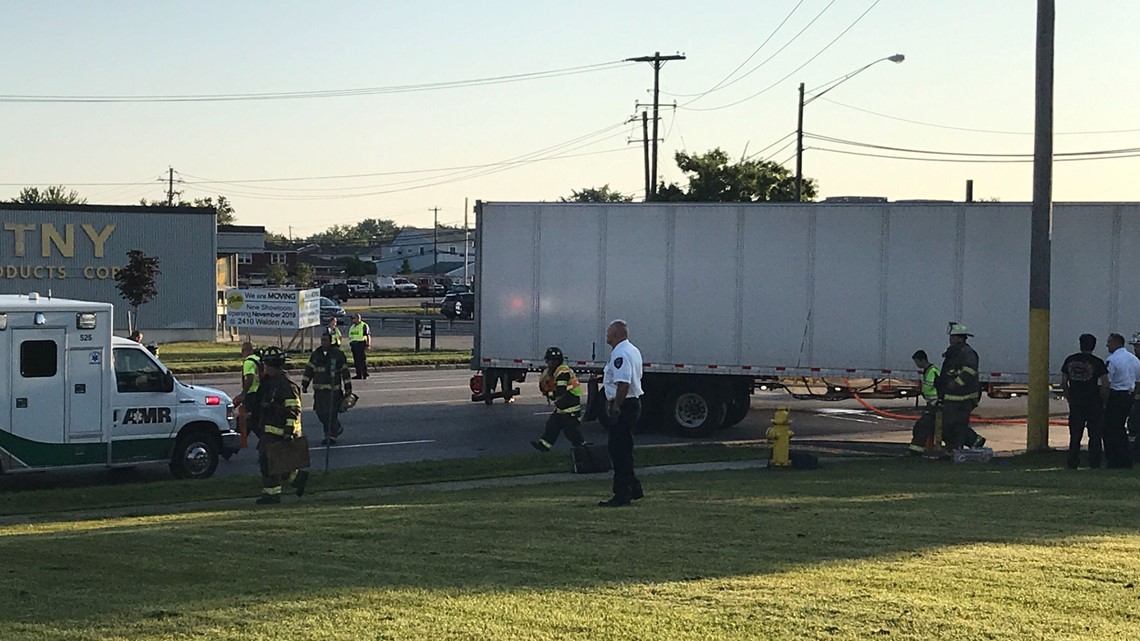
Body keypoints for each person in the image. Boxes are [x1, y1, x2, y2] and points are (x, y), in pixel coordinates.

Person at [253, 347, 308, 504]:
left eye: (265, 364)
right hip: (269, 430)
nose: (263, 367)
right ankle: (294, 481)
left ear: (272, 365)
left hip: (280, 431)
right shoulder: (270, 382)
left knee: (270, 462)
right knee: (270, 462)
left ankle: (272, 495)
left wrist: (288, 432)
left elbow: (293, 409)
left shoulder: (285, 384)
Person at [599, 320, 644, 507]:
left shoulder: (621, 353)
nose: (607, 336)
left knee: (619, 451)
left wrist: (616, 407)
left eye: (609, 332)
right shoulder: (632, 350)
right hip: (631, 403)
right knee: (621, 449)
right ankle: (633, 488)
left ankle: (622, 494)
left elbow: (623, 383)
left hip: (625, 405)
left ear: (617, 334)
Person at [1060, 334, 1108, 469]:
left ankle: (1072, 461)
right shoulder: (1098, 362)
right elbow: (1105, 384)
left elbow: (1064, 382)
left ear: (1080, 344)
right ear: (1094, 346)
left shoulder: (1070, 360)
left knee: (1075, 434)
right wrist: (1103, 400)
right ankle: (1094, 462)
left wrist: (1069, 397)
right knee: (1095, 434)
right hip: (1094, 402)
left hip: (1076, 402)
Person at [937, 322, 985, 451]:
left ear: (960, 338)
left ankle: (961, 447)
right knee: (949, 425)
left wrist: (954, 384)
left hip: (964, 398)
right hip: (953, 397)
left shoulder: (967, 353)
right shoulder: (953, 352)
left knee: (957, 424)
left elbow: (969, 372)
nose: (950, 339)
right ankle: (959, 446)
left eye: (952, 337)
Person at [530, 346, 586, 452]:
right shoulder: (557, 371)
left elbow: (560, 391)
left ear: (556, 361)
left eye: (549, 361)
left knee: (571, 431)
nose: (547, 363)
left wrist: (549, 393)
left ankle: (582, 449)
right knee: (552, 425)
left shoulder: (562, 373)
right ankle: (544, 446)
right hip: (563, 406)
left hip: (571, 407)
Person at [301, 333, 352, 445]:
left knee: (331, 414)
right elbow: (309, 370)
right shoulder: (316, 354)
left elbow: (345, 372)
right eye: (322, 339)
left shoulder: (338, 355)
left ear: (330, 341)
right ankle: (336, 427)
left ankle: (330, 435)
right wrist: (304, 384)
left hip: (333, 391)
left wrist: (348, 387)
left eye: (325, 340)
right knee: (320, 412)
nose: (323, 342)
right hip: (319, 391)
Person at [1102, 332, 1138, 469]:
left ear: (1116, 343)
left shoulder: (1113, 360)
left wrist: (1104, 401)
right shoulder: (1134, 360)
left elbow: (1107, 382)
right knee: (1120, 427)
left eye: (1109, 342)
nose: (1107, 345)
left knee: (1110, 428)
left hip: (1115, 395)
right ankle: (1124, 458)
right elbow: (1138, 380)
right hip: (1129, 395)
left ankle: (1114, 458)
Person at [907, 350, 941, 455]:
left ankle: (916, 449)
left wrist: (936, 402)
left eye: (917, 362)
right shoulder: (929, 370)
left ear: (922, 360)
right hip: (932, 404)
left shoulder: (933, 371)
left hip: (936, 404)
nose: (916, 365)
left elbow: (940, 387)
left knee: (922, 426)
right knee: (926, 426)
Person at [232, 342, 262, 447]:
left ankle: (234, 446)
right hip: (259, 393)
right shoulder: (258, 360)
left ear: (246, 351)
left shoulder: (248, 362)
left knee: (248, 420)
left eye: (242, 351)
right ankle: (235, 446)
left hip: (251, 394)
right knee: (248, 420)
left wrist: (243, 393)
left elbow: (250, 378)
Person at [348, 313, 371, 380]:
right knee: (356, 360)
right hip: (354, 345)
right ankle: (358, 374)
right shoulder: (352, 326)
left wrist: (368, 345)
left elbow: (367, 335)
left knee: (362, 360)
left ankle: (365, 374)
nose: (353, 320)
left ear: (358, 318)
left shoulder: (364, 325)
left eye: (354, 318)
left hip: (361, 344)